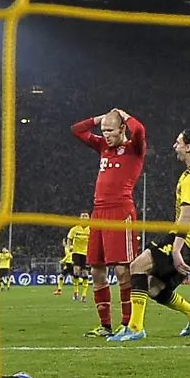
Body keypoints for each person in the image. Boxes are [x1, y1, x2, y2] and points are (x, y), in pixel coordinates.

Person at [110, 130, 190, 342]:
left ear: (188, 147)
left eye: (178, 142)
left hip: (185, 238)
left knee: (137, 266)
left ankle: (135, 327)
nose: (174, 146)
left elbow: (186, 216)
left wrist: (176, 249)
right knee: (153, 287)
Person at [72, 109, 146, 338]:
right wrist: (99, 118)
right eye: (103, 131)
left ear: (123, 128)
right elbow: (77, 130)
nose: (106, 135)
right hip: (98, 213)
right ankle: (105, 326)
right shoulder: (103, 147)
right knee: (96, 269)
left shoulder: (134, 148)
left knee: (123, 269)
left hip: (120, 212)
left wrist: (125, 115)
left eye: (110, 130)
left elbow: (141, 130)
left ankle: (128, 324)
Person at [68, 213, 91, 302]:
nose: (84, 218)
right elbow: (69, 238)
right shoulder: (75, 229)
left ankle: (84, 295)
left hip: (86, 253)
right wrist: (69, 246)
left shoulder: (91, 229)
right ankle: (76, 291)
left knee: (85, 273)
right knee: (76, 271)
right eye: (83, 216)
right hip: (77, 252)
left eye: (86, 216)